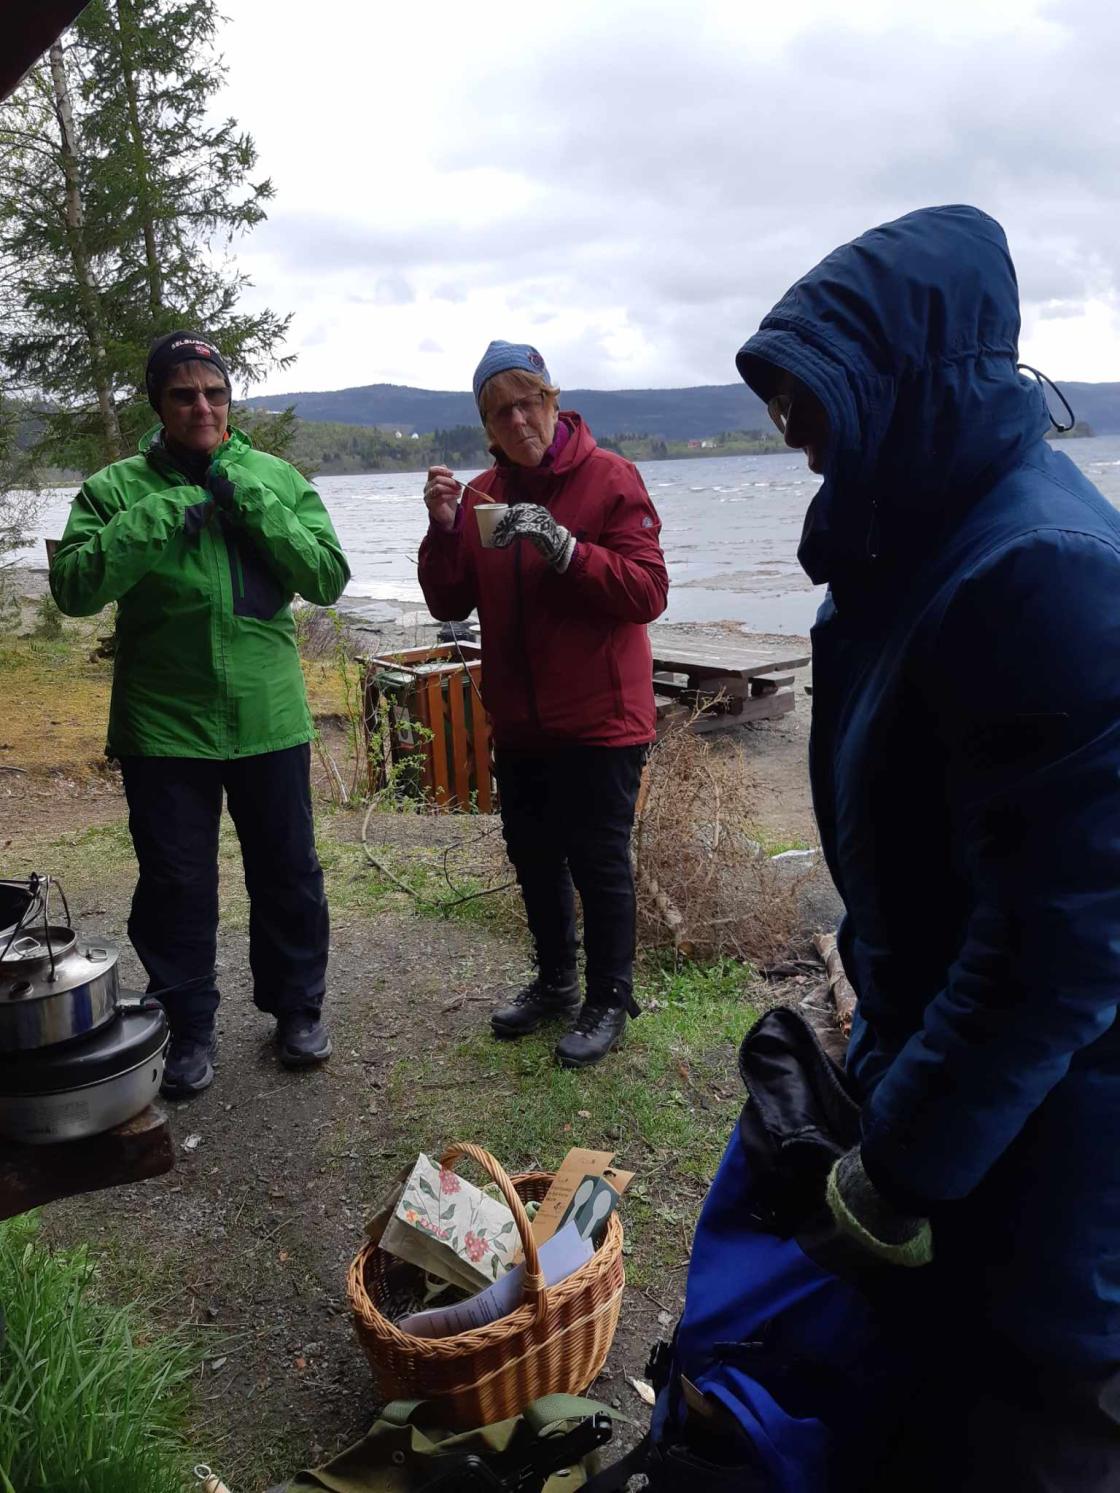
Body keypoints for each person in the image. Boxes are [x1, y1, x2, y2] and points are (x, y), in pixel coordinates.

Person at [735, 206, 1120, 1489]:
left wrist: (896, 1165)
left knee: (1028, 1431)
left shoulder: (1041, 572)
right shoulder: (922, 538)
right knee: (928, 1409)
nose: (796, 444)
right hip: (957, 1093)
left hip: (1047, 1152)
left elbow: (1055, 954)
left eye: (811, 408)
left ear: (912, 387)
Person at [50, 331, 350, 1097]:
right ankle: (187, 1027)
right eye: (183, 394)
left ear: (229, 398)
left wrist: (242, 497)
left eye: (214, 392)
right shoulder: (113, 489)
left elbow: (325, 575)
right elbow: (76, 587)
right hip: (163, 722)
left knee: (287, 873)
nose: (202, 406)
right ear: (158, 402)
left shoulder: (273, 476)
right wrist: (161, 514)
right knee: (175, 882)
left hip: (268, 713)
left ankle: (297, 1010)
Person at [418, 341, 668, 1067]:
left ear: (554, 402)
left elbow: (648, 591)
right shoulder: (482, 493)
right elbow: (449, 598)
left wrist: (566, 549)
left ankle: (609, 997)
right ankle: (557, 982)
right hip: (521, 720)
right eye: (502, 409)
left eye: (530, 400)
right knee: (532, 855)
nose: (519, 416)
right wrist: (441, 529)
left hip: (600, 718)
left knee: (599, 862)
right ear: (488, 426)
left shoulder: (609, 477)